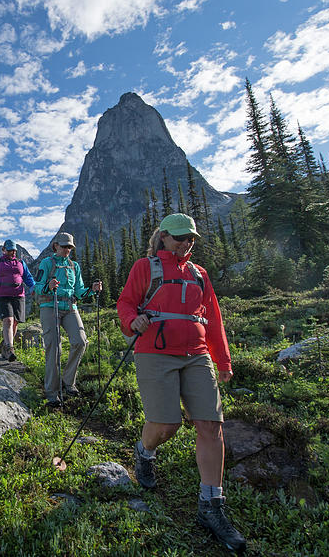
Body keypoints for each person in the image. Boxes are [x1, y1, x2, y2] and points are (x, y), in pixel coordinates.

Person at [116, 213, 246, 552]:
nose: (185, 242)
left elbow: (213, 318)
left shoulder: (199, 274)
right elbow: (126, 303)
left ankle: (211, 505)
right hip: (155, 353)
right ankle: (145, 452)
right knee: (165, 425)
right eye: (178, 237)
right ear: (163, 237)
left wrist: (224, 360)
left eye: (190, 237)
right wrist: (133, 321)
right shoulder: (145, 268)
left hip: (197, 353)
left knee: (210, 425)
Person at [32, 232, 102, 407]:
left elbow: (79, 291)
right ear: (56, 246)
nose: (67, 250)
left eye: (70, 247)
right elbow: (37, 287)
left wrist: (92, 290)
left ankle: (68, 381)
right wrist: (48, 286)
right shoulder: (46, 263)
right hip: (50, 307)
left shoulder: (74, 266)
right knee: (54, 347)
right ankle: (51, 393)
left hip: (71, 307)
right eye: (64, 246)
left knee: (81, 341)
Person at [0, 239, 35, 362]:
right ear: (4, 250)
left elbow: (27, 277)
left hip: (18, 295)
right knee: (8, 320)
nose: (12, 252)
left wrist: (33, 286)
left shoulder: (20, 262)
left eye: (14, 250)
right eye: (10, 250)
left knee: (15, 322)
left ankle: (6, 347)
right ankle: (9, 349)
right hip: (2, 295)